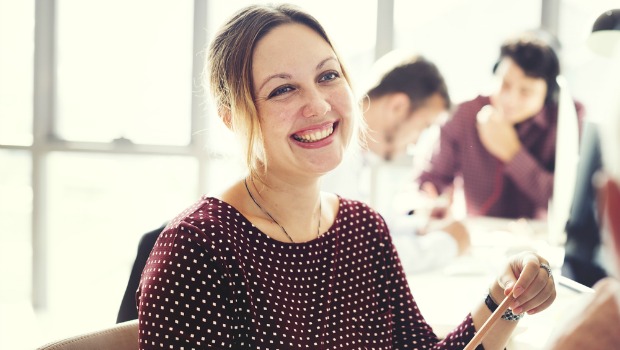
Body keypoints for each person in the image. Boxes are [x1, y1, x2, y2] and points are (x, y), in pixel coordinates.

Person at [136, 4, 556, 349]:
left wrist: (507, 297)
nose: (319, 105)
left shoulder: (363, 228)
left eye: (327, 76)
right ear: (233, 118)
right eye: (283, 89)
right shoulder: (197, 249)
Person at [321, 52, 470, 273]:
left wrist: (421, 226)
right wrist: (448, 243)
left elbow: (371, 232)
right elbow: (359, 258)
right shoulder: (332, 156)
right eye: (424, 126)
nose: (417, 141)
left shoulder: (355, 155)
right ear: (398, 106)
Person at [417, 31, 585, 219]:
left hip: (541, 239)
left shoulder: (568, 118)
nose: (510, 99)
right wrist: (429, 201)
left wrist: (512, 153)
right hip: (477, 235)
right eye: (504, 84)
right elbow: (431, 179)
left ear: (547, 94)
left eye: (526, 92)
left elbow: (570, 201)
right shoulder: (463, 113)